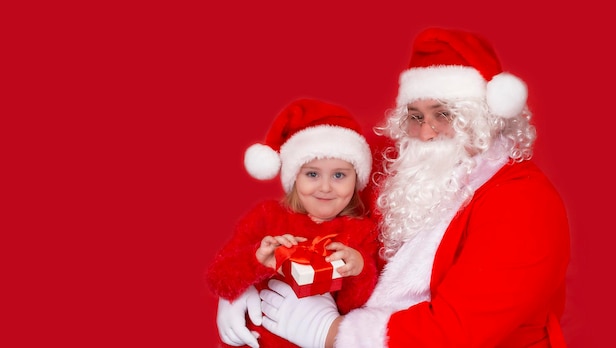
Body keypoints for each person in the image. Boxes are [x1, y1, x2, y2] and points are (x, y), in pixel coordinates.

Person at [258, 27, 571, 347]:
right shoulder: (397, 168)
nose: (425, 134)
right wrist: (248, 288)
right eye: (415, 116)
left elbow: (457, 332)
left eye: (444, 115)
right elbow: (309, 221)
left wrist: (326, 332)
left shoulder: (526, 203)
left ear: (483, 118)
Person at [206, 98, 380, 348]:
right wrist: (256, 260)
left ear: (356, 179)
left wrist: (358, 268)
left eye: (339, 175)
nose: (325, 187)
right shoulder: (268, 216)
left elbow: (352, 307)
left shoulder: (360, 232)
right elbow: (218, 279)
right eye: (312, 174)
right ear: (294, 177)